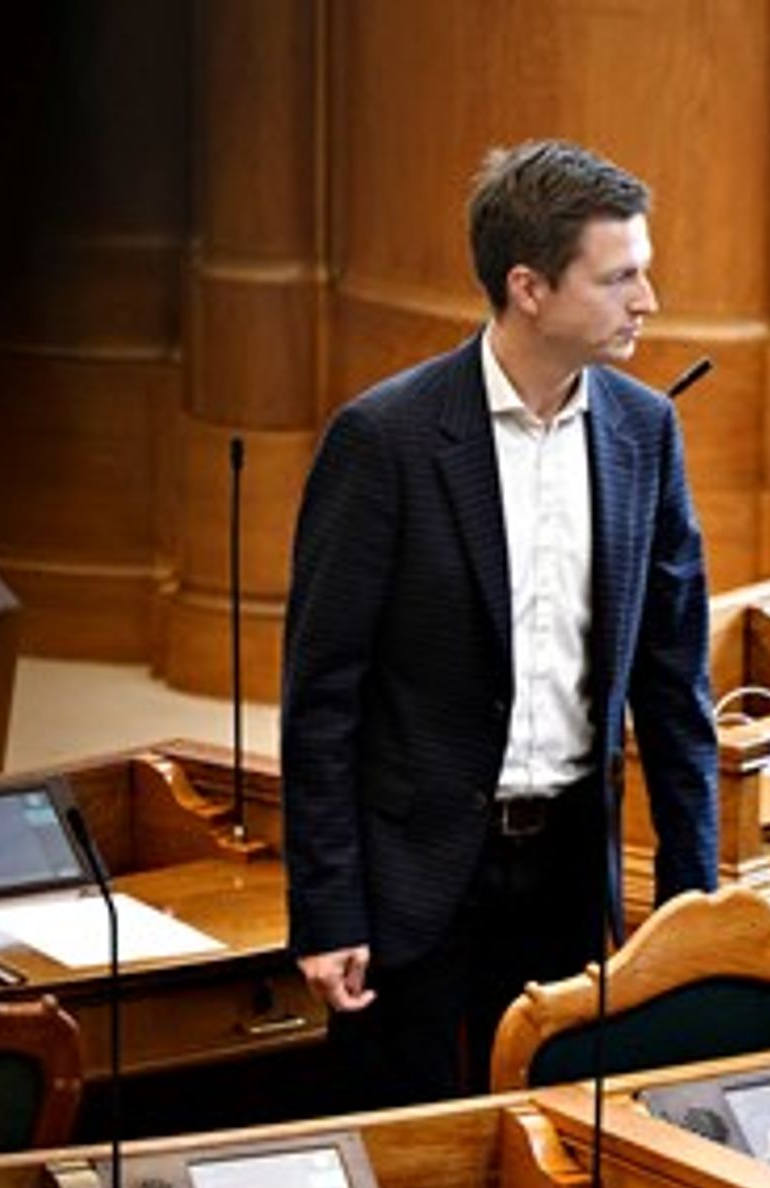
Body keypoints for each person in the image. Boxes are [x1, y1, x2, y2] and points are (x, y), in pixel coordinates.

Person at [282, 139, 717, 1107]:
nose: (647, 300)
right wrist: (327, 906)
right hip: (415, 876)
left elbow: (674, 687)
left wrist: (691, 904)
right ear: (529, 287)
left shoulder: (644, 431)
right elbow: (322, 698)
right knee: (411, 1141)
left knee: (551, 1136)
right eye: (619, 278)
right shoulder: (385, 439)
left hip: (567, 869)